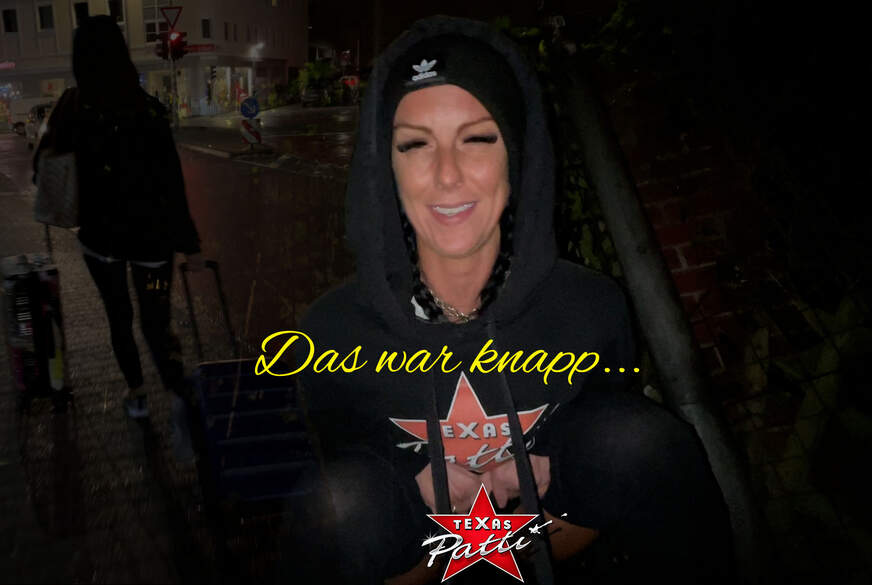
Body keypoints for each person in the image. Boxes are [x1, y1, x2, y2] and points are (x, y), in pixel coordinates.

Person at [297, 15, 732, 584]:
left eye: (478, 138)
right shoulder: (332, 333)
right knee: (336, 503)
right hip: (413, 564)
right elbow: (345, 501)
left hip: (559, 547)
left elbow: (618, 463)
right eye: (415, 144)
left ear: (518, 155)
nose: (447, 175)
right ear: (386, 168)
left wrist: (538, 493)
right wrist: (419, 501)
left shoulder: (591, 308)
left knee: (645, 441)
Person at [33, 16, 204, 456]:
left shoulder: (71, 107)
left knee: (118, 317)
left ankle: (137, 393)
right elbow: (171, 183)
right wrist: (188, 243)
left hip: (101, 242)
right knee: (156, 320)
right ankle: (178, 393)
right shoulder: (147, 109)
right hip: (152, 244)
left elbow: (43, 165)